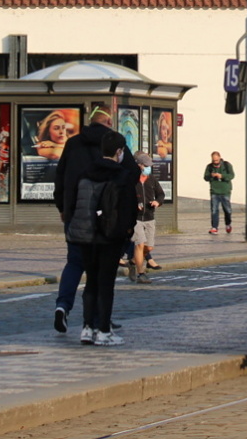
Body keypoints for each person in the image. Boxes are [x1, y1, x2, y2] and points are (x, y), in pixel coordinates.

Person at [52, 105, 136, 334]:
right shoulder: (114, 144)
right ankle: (99, 320)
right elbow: (131, 176)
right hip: (106, 218)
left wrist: (62, 207)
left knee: (75, 262)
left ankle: (62, 306)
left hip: (75, 213)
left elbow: (59, 176)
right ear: (109, 122)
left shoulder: (73, 143)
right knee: (101, 271)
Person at [67, 131, 138, 346]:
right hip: (110, 236)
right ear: (119, 151)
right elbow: (129, 209)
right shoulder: (121, 175)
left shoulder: (86, 172)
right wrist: (127, 232)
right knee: (106, 285)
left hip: (86, 235)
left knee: (91, 282)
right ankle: (104, 331)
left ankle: (87, 328)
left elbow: (75, 202)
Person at [129, 152, 164, 284]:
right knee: (139, 244)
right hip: (136, 218)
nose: (149, 168)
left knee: (149, 247)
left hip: (149, 217)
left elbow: (161, 195)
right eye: (147, 166)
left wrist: (157, 202)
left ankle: (133, 262)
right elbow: (124, 196)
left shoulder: (152, 180)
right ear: (139, 166)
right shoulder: (131, 180)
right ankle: (141, 274)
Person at [204, 151, 234, 235]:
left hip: (225, 191)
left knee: (227, 210)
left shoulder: (227, 165)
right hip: (214, 191)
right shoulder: (209, 167)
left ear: (220, 158)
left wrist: (222, 176)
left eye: (217, 161)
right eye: (214, 161)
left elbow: (232, 175)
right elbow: (205, 177)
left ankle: (228, 224)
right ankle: (214, 227)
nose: (215, 163)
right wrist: (211, 175)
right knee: (214, 210)